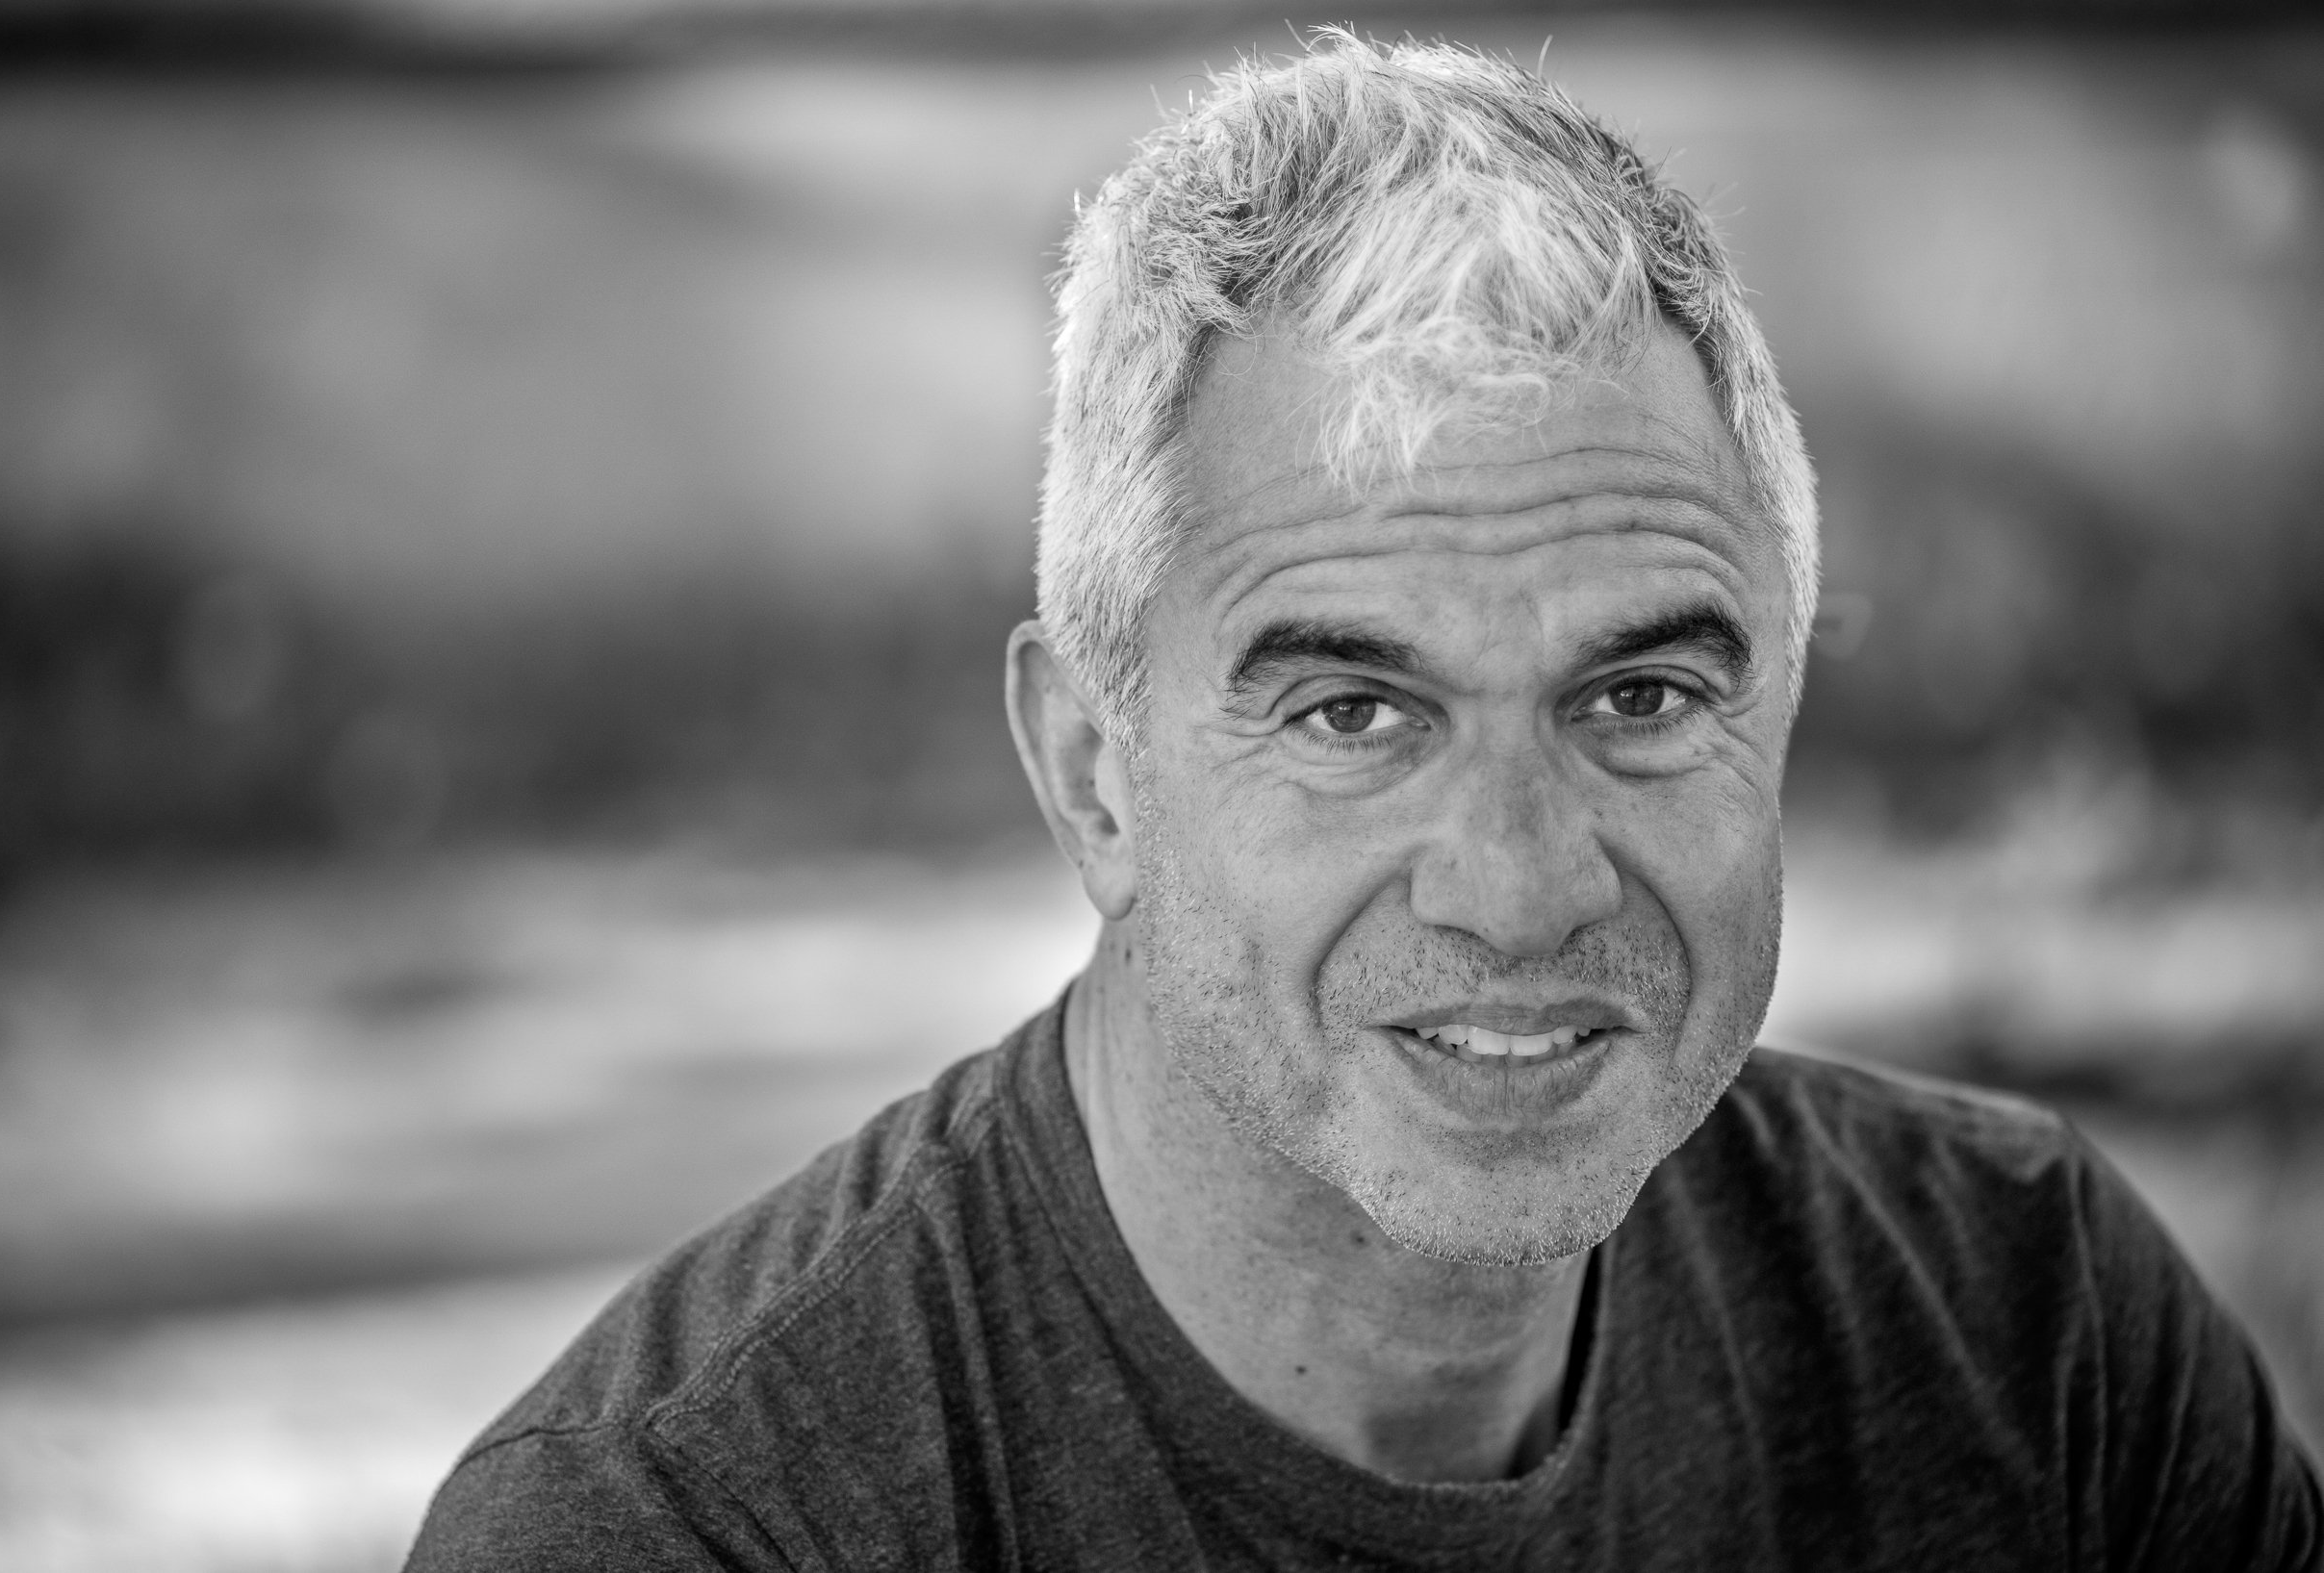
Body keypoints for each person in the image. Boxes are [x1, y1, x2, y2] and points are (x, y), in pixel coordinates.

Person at [405, 35, 2319, 1570]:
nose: (1519, 885)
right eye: (1352, 712)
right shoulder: (685, 1526)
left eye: (1639, 697)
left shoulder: (2027, 1340)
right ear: (1092, 774)